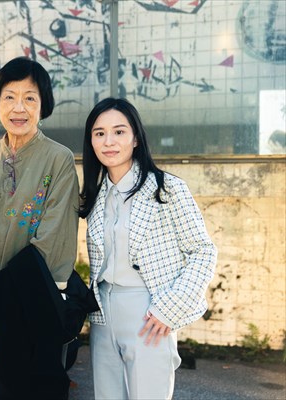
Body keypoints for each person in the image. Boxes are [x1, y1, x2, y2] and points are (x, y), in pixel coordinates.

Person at [0, 56, 79, 398]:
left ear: (43, 106)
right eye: (9, 96)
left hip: (32, 312)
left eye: (29, 98)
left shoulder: (59, 160)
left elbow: (53, 241)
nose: (18, 107)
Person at [79, 97, 217, 399]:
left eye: (119, 131)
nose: (109, 141)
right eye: (99, 133)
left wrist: (170, 308)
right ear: (91, 141)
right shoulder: (95, 195)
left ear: (136, 138)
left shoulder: (167, 188)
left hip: (149, 311)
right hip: (103, 314)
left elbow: (203, 251)